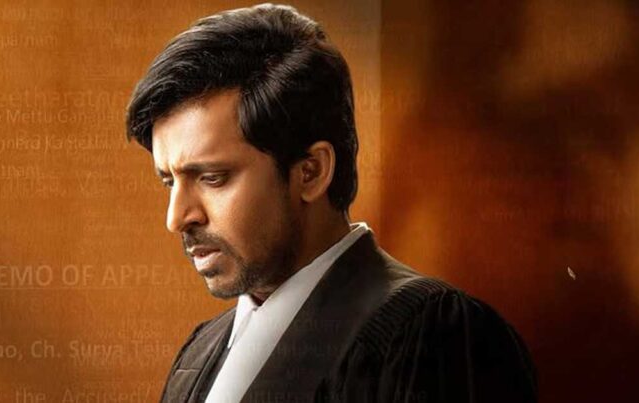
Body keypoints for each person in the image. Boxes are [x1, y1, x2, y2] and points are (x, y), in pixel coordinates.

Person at [126, 3, 537, 402]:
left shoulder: (436, 334)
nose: (177, 217)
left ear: (311, 172)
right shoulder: (198, 354)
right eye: (169, 181)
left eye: (212, 178)